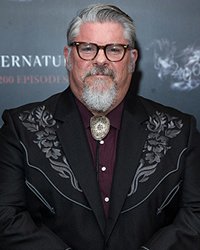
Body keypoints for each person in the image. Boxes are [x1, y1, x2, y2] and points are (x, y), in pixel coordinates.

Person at [0, 3, 200, 250]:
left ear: (132, 59)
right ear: (68, 57)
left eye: (115, 49)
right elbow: (6, 216)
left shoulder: (180, 131)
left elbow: (195, 214)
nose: (101, 60)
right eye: (87, 48)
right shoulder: (21, 128)